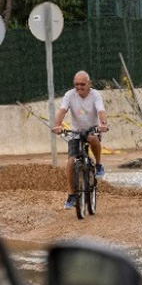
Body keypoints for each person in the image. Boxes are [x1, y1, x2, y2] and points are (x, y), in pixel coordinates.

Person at [52, 71, 109, 209]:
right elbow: (62, 110)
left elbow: (101, 110)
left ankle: (99, 164)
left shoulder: (95, 95)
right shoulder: (69, 95)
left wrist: (103, 124)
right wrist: (57, 125)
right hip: (76, 132)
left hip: (92, 129)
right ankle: (72, 195)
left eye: (82, 84)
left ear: (89, 84)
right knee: (71, 162)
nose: (79, 87)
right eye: (76, 84)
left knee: (92, 138)